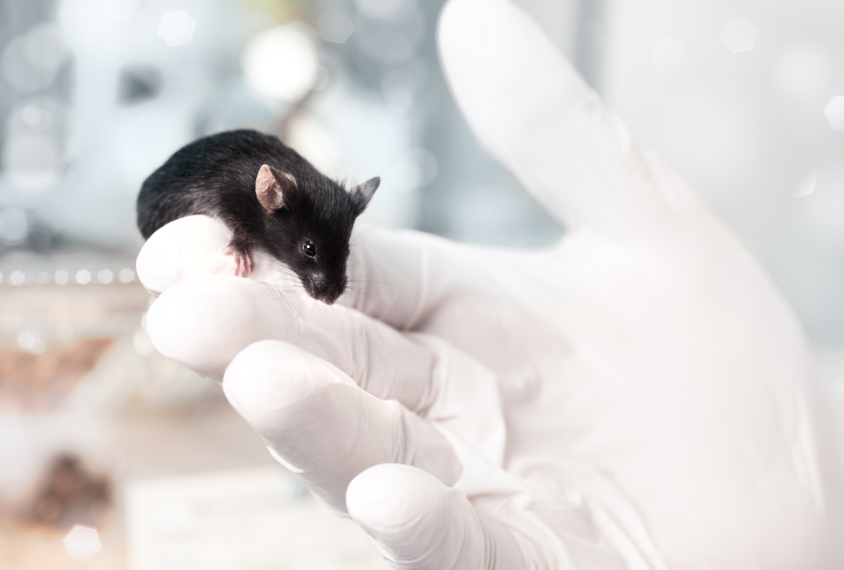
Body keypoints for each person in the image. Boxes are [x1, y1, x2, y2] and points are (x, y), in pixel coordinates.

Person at [135, 0, 844, 567]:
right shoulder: (254, 192)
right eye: (319, 259)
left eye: (333, 264)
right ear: (271, 197)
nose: (328, 282)